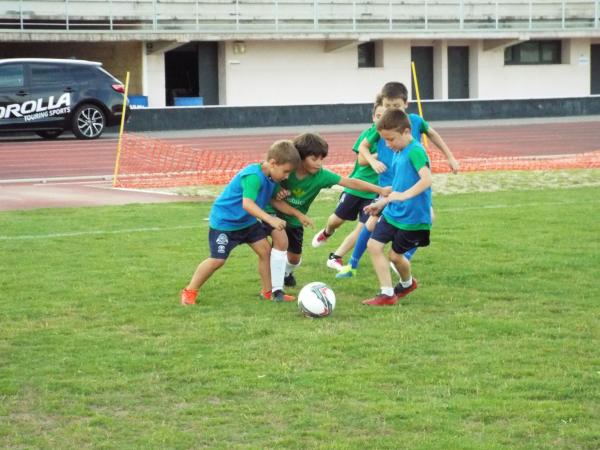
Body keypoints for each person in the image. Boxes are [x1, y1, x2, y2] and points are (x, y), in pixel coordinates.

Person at [335, 81, 459, 279]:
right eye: (388, 106)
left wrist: (450, 157)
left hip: (412, 182)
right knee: (370, 224)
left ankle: (402, 258)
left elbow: (433, 135)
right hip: (388, 185)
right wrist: (372, 162)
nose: (391, 110)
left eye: (396, 106)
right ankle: (352, 264)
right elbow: (363, 148)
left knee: (426, 217)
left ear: (406, 104)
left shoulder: (415, 123)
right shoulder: (381, 126)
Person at [180, 140, 301, 306]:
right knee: (217, 260)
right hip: (225, 223)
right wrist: (270, 219)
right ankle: (190, 291)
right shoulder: (253, 176)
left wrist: (298, 214)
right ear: (273, 163)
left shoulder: (271, 178)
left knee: (265, 252)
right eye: (286, 172)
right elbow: (248, 204)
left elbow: (274, 201)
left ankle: (268, 292)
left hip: (247, 222)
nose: (287, 176)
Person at [263, 132, 390, 288]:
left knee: (294, 259)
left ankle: (287, 273)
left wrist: (380, 190)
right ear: (300, 158)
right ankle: (275, 289)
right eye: (314, 159)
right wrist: (277, 191)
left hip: (295, 220)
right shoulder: (286, 170)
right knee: (279, 243)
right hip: (272, 213)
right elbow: (266, 178)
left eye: (321, 159)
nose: (319, 163)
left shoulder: (322, 176)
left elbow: (351, 182)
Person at [361, 108, 432, 306]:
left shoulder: (416, 151)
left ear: (406, 132)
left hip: (412, 217)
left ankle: (407, 283)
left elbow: (427, 180)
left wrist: (404, 196)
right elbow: (400, 185)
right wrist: (383, 202)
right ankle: (387, 294)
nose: (387, 144)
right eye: (385, 140)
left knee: (395, 256)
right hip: (393, 212)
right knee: (373, 246)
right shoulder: (399, 152)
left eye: (391, 139)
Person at [310, 100, 387, 271]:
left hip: (375, 193)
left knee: (365, 227)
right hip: (356, 187)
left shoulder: (392, 137)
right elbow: (361, 159)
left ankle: (336, 257)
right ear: (373, 117)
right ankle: (327, 232)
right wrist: (380, 155)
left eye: (385, 116)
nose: (381, 119)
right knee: (336, 221)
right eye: (378, 116)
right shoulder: (369, 135)